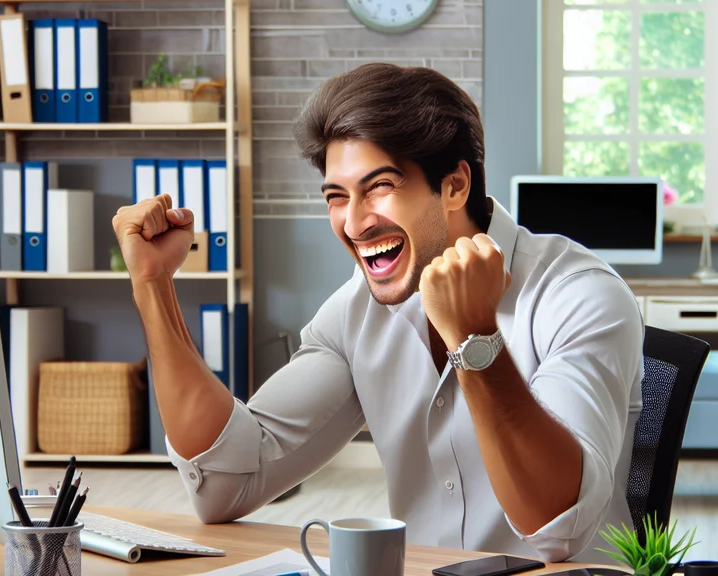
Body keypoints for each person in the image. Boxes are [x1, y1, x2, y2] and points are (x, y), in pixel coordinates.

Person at [111, 63, 643, 563]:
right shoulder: (356, 310)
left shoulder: (578, 294)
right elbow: (225, 484)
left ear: (455, 185)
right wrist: (153, 285)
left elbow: (556, 528)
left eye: (380, 187)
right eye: (337, 196)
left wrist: (474, 338)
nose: (354, 223)